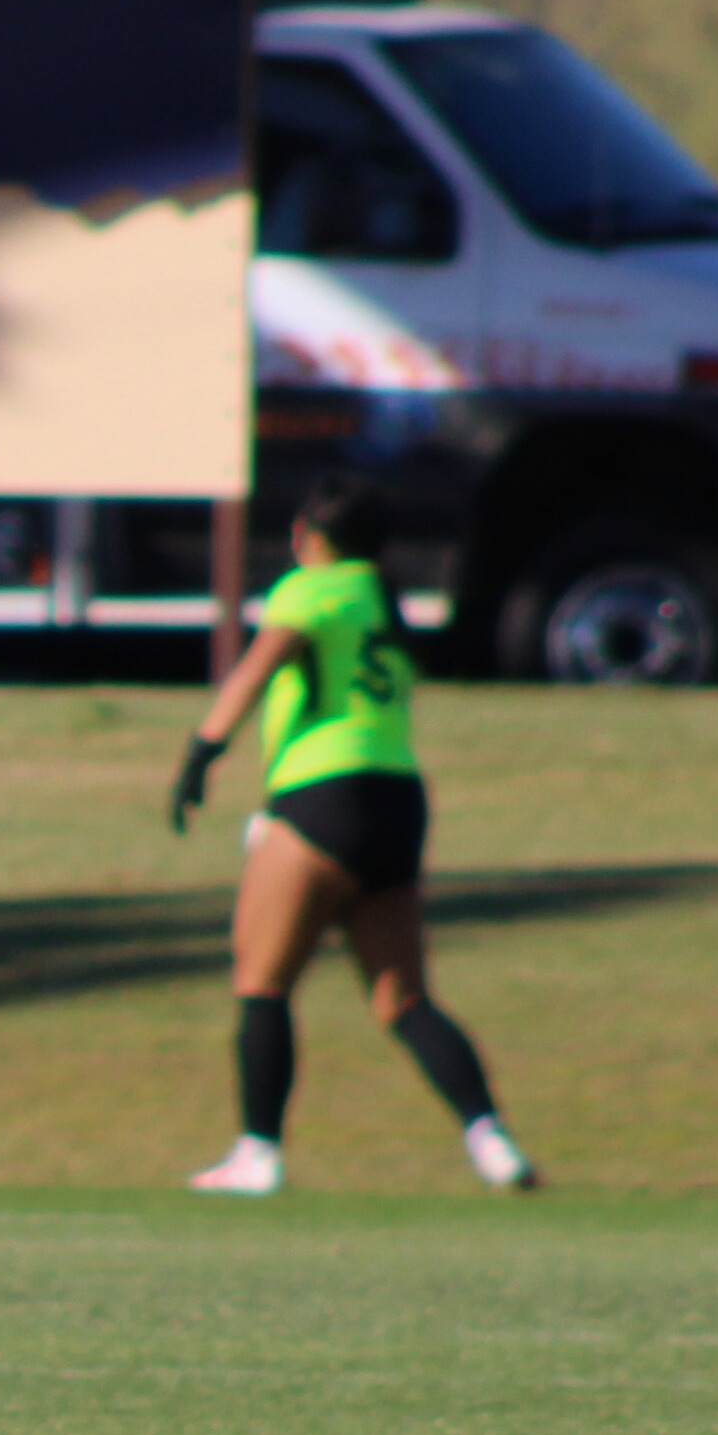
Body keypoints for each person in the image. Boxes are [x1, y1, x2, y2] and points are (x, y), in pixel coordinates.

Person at [167, 483, 535, 1198]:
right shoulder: (383, 601)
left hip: (321, 796)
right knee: (405, 1000)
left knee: (262, 981)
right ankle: (494, 1143)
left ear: (309, 536)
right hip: (398, 803)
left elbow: (258, 665)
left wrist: (202, 752)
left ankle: (258, 1154)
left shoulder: (313, 590)